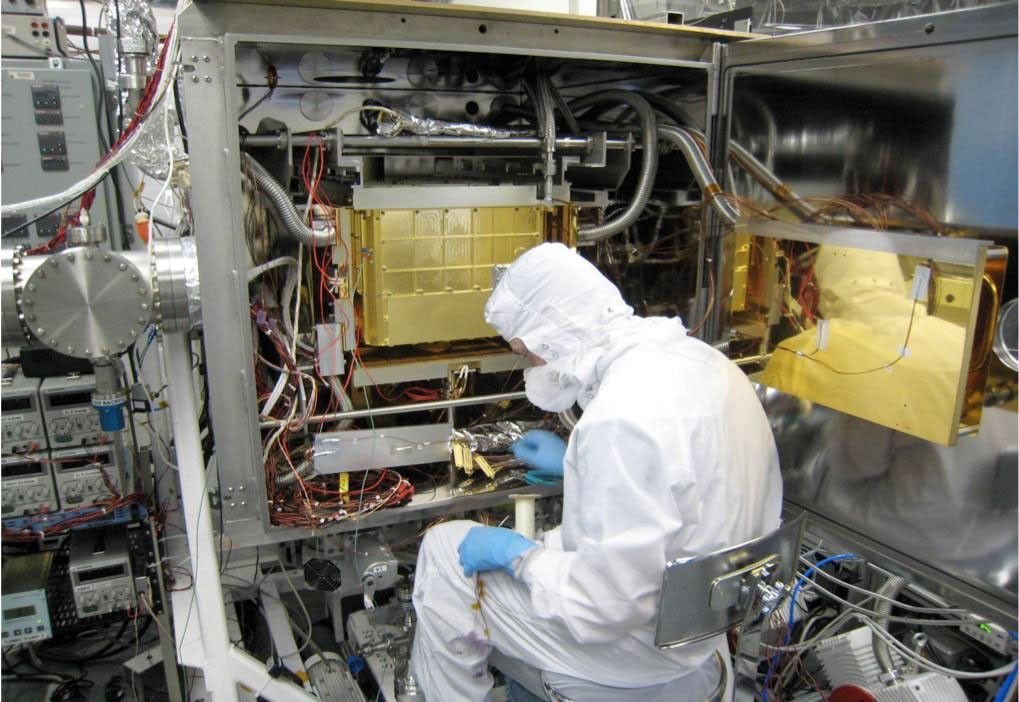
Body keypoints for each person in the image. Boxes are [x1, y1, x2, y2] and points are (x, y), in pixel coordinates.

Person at [409, 242, 782, 701]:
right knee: (546, 543)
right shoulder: (709, 366)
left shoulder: (620, 417)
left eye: (527, 354)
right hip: (703, 628)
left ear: (554, 334)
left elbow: (600, 608)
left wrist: (519, 557)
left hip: (635, 649)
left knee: (444, 551)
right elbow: (689, 486)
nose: (531, 366)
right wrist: (579, 466)